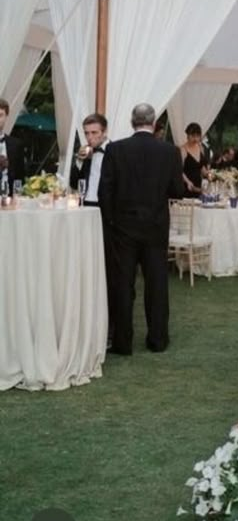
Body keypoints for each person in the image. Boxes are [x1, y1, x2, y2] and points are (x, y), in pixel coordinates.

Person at [98, 103, 184, 355]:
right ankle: (157, 339)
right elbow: (177, 191)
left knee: (123, 284)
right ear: (154, 121)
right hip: (156, 227)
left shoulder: (115, 149)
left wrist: (112, 221)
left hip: (123, 228)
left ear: (132, 121)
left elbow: (105, 191)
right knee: (157, 284)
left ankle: (122, 342)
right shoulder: (169, 152)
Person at [70, 112, 114, 345]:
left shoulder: (115, 152)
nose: (90, 137)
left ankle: (108, 326)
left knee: (106, 267)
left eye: (94, 133)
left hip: (106, 214)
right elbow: (72, 181)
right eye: (87, 133)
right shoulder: (84, 154)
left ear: (104, 132)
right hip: (84, 209)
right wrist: (78, 161)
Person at [0, 97, 26, 192]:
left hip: (10, 198)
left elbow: (20, 176)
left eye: (0, 115)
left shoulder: (16, 145)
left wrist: (18, 197)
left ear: (6, 116)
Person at [180, 122, 210, 198]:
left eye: (198, 136)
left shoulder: (200, 147)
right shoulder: (183, 149)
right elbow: (179, 170)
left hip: (198, 187)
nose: (195, 139)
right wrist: (187, 182)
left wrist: (208, 174)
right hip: (187, 186)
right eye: (193, 136)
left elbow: (202, 167)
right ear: (187, 135)